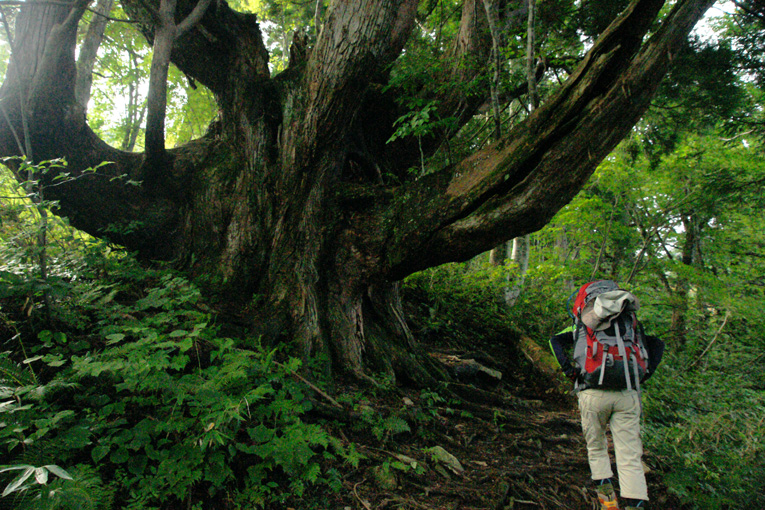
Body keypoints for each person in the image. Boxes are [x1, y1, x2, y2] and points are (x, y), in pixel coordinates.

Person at [549, 290, 665, 510]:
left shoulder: (582, 324)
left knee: (597, 447)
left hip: (592, 392)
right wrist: (645, 374)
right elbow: (658, 344)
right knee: (630, 454)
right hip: (627, 393)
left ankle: (608, 501)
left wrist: (569, 370)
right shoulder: (629, 324)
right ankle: (635, 505)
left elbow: (554, 341)